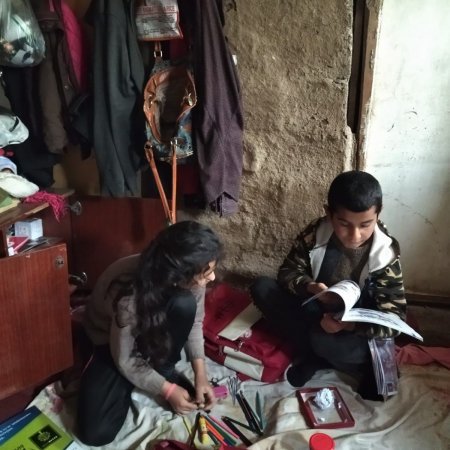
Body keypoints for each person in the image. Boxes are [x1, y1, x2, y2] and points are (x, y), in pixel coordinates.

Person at [250, 170, 407, 399]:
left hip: (352, 330)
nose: (355, 235)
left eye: (366, 224)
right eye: (344, 223)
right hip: (316, 310)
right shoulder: (315, 234)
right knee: (262, 288)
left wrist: (349, 326)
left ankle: (319, 354)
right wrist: (309, 287)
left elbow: (394, 320)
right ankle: (314, 353)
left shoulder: (385, 254)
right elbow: (288, 272)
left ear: (378, 214)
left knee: (324, 341)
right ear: (329, 213)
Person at [76, 220, 223, 446]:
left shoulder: (193, 275)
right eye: (207, 272)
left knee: (185, 305)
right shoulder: (127, 291)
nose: (211, 277)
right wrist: (167, 390)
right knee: (96, 433)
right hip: (107, 341)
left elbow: (195, 322)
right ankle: (147, 377)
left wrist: (200, 374)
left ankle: (161, 369)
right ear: (178, 274)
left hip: (149, 332)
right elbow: (125, 359)